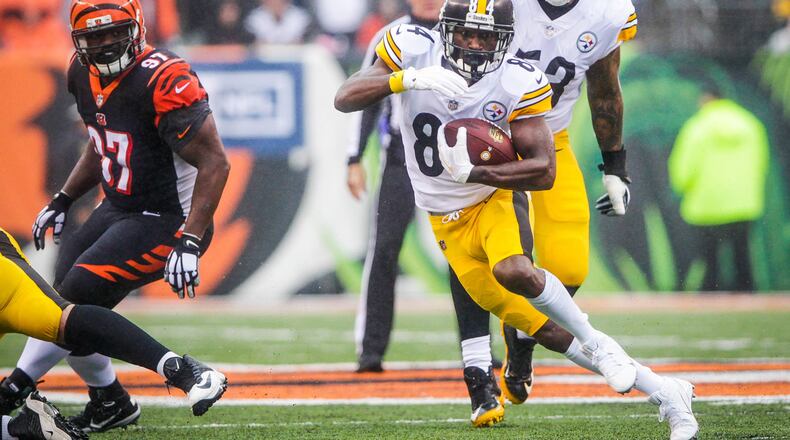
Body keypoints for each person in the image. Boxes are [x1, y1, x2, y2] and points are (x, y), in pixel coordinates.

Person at [334, 0, 698, 437]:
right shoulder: (413, 48)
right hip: (444, 220)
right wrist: (404, 79)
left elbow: (544, 171)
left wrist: (479, 172)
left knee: (515, 269)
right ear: (445, 28)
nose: (472, 45)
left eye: (484, 37)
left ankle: (600, 345)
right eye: (465, 34)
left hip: (489, 200)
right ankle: (664, 389)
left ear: (505, 41)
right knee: (541, 328)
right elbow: (345, 98)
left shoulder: (517, 79)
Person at [0, 0, 231, 433]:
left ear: (137, 28)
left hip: (168, 218)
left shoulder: (164, 78)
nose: (105, 45)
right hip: (119, 207)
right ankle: (110, 401)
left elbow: (216, 163)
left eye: (114, 33)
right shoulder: (80, 73)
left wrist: (191, 239)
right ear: (78, 41)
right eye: (94, 37)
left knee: (77, 295)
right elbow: (102, 139)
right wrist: (64, 198)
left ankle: (16, 387)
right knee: (62, 300)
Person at [458, 0, 641, 408]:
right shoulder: (502, 5)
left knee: (570, 266)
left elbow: (606, 89)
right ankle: (497, 351)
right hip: (489, 140)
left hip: (549, 144)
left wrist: (615, 166)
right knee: (507, 265)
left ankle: (521, 339)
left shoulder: (606, 12)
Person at [0, 227, 227, 440]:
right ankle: (28, 417)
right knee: (67, 311)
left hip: (162, 217)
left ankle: (181, 372)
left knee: (72, 302)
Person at [348, 0, 447, 373]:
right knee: (385, 248)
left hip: (453, 161)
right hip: (401, 159)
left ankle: (478, 348)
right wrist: (353, 157)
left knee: (467, 253)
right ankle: (371, 350)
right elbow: (364, 96)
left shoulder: (464, 30)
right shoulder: (391, 35)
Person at [669, 82, 769, 291]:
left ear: (705, 99)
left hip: (705, 207)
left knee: (709, 261)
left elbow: (683, 170)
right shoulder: (750, 124)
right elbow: (761, 163)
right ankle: (749, 300)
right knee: (743, 257)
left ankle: (710, 304)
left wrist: (680, 188)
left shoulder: (696, 128)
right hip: (743, 205)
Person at [245, 0, 312, 44]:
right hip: (264, 60)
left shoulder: (300, 16)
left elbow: (300, 41)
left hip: (293, 59)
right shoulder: (254, 17)